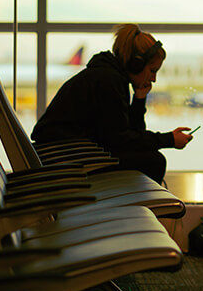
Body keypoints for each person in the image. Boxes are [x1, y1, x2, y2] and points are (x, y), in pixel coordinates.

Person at [30, 23, 193, 183]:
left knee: (150, 158)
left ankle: (132, 208)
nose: (153, 79)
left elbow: (130, 132)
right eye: (152, 71)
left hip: (67, 153)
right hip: (64, 158)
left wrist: (139, 98)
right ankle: (132, 209)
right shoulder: (108, 81)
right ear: (136, 64)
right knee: (154, 162)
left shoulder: (110, 76)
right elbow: (121, 139)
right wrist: (169, 140)